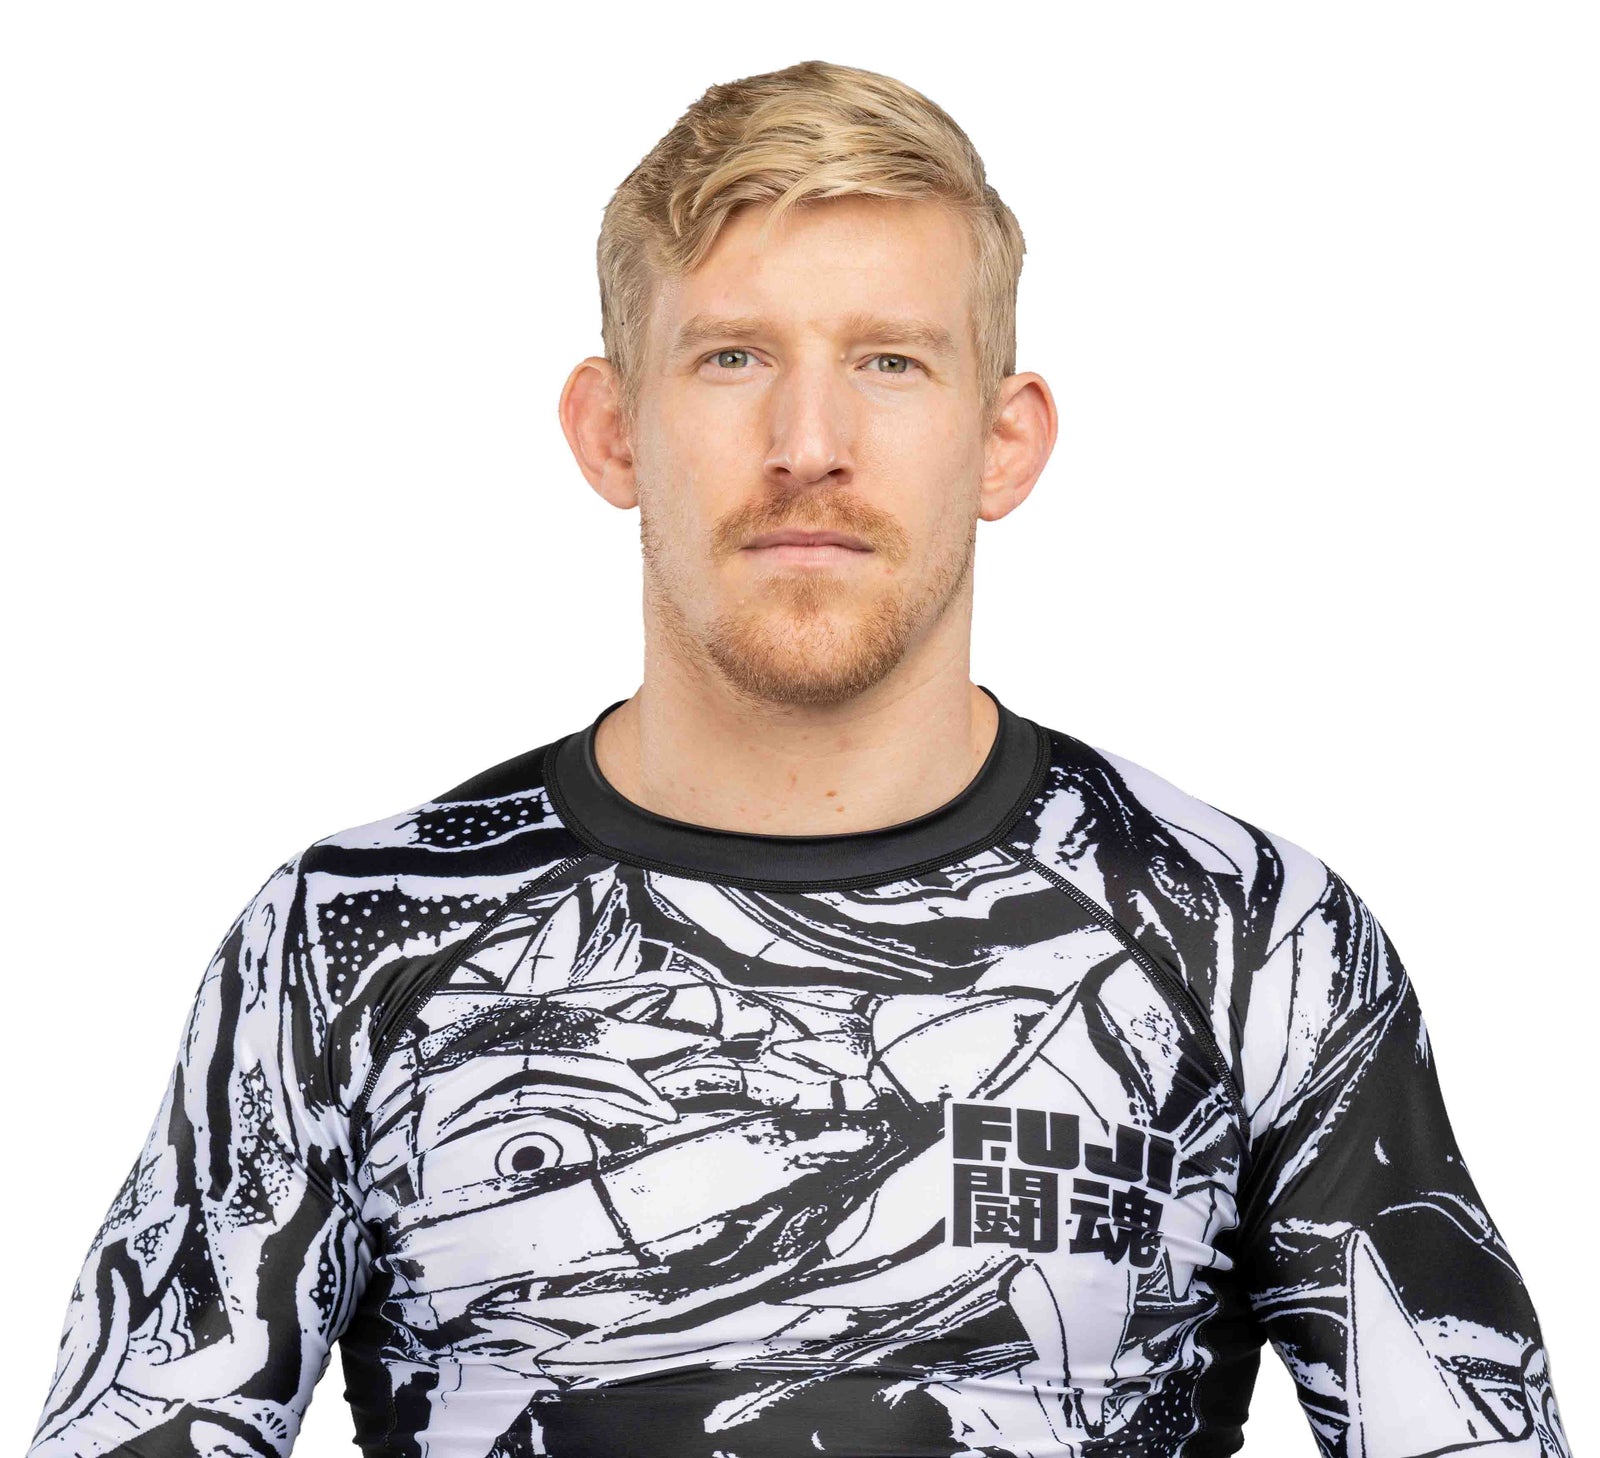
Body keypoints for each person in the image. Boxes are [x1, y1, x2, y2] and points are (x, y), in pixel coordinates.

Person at [25, 58, 1570, 1458]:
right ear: (611, 429)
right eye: (730, 357)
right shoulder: (350, 941)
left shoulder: (1251, 938)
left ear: (1005, 439)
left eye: (890, 360)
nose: (809, 441)